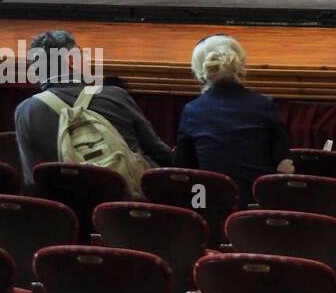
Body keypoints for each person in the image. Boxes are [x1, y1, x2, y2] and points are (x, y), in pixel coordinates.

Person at [14, 29, 172, 190]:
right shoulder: (115, 96)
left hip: (66, 202)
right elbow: (158, 151)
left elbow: (32, 180)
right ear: (71, 61)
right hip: (126, 199)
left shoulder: (26, 111)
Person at [174, 35, 293, 206]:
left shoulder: (193, 110)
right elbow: (284, 164)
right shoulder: (264, 105)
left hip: (211, 208)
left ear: (199, 69)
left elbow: (185, 169)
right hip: (257, 209)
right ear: (240, 63)